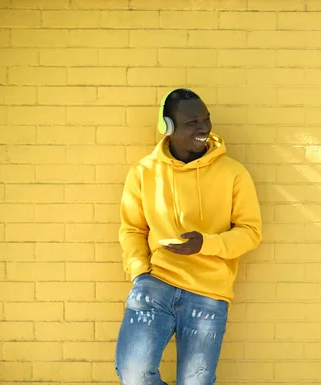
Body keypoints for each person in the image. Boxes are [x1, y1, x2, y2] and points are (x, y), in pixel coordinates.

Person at [114, 88, 262, 385]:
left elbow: (250, 232)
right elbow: (132, 229)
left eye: (206, 119)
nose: (204, 128)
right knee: (134, 374)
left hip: (208, 293)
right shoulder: (143, 172)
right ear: (167, 127)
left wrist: (206, 244)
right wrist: (140, 273)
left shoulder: (234, 173)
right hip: (155, 286)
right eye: (192, 122)